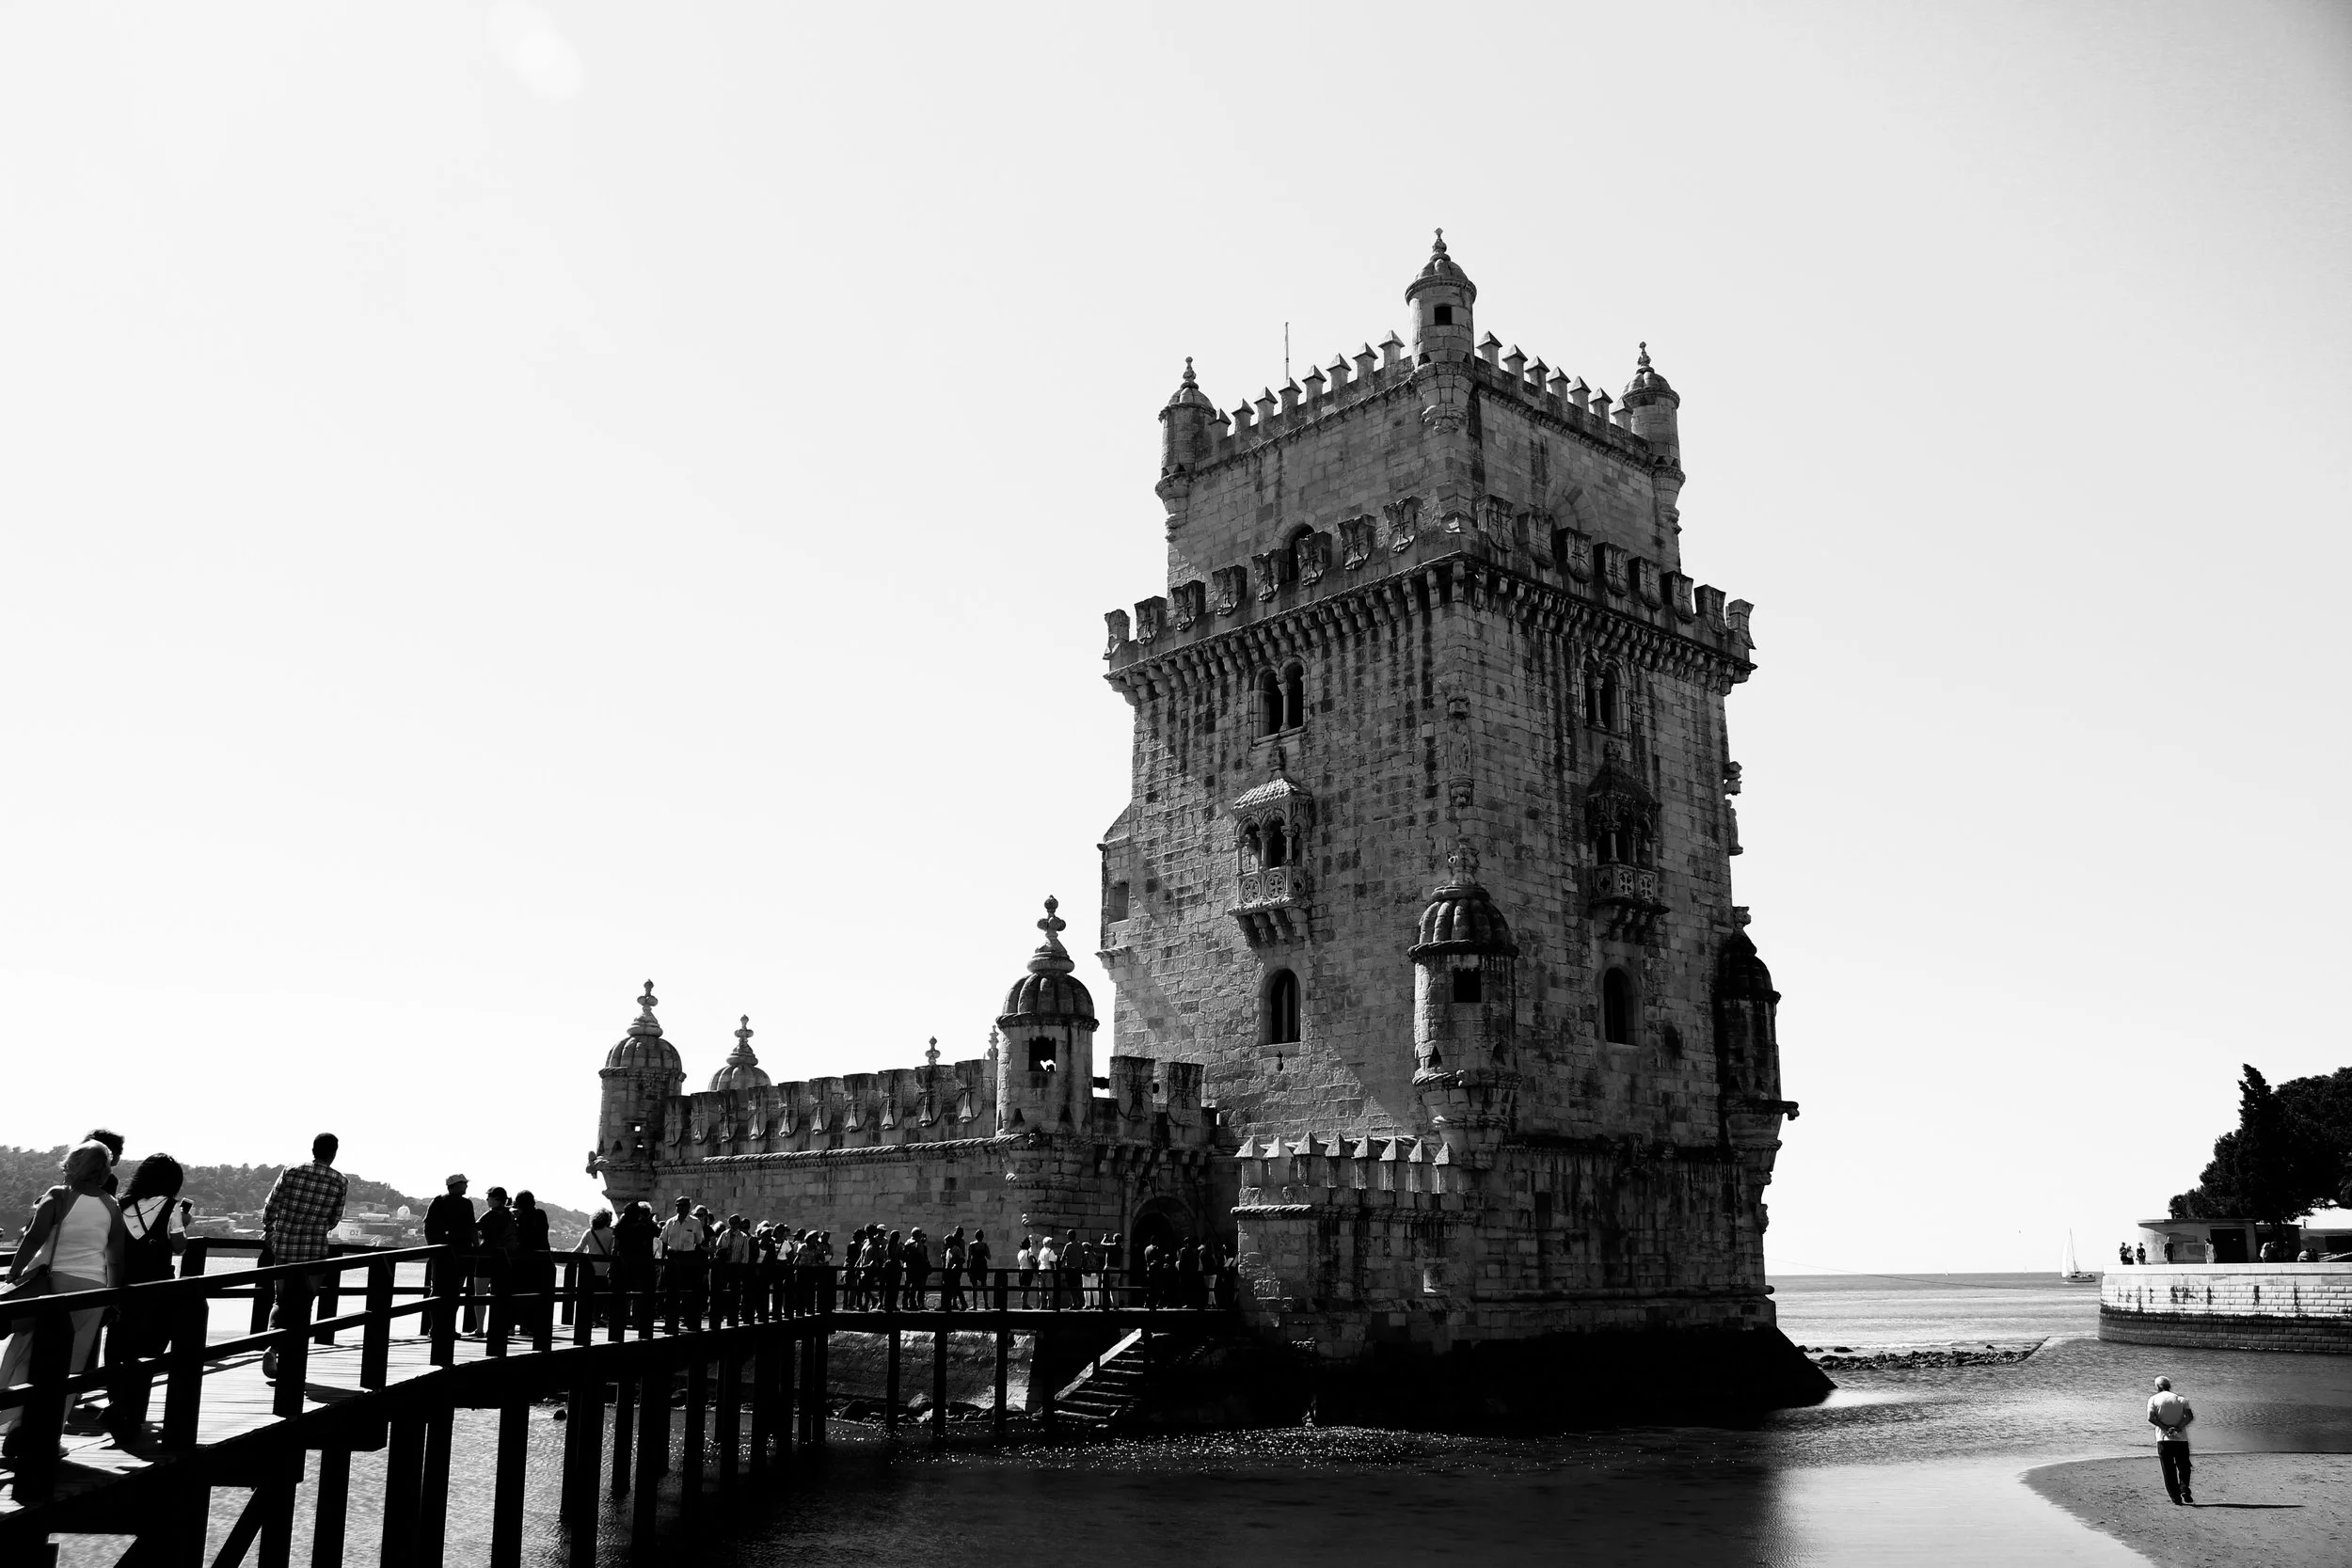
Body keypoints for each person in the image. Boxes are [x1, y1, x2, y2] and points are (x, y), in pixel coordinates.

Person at [0, 1142, 126, 1460]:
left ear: (72, 1165)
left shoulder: (59, 1195)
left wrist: (13, 1273)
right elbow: (115, 1258)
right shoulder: (111, 1205)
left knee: (25, 1351)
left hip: (54, 1285)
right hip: (94, 1290)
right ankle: (49, 1436)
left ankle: (15, 1423)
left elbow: (34, 1237)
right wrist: (115, 1295)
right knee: (70, 1365)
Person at [105, 1152, 185, 1448]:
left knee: (118, 1349)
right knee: (150, 1350)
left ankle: (117, 1404)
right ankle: (133, 1415)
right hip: (158, 1290)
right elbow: (178, 1247)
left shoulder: (119, 1205)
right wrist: (183, 1223)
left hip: (122, 1288)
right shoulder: (172, 1208)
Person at [260, 1133, 347, 1381]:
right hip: (314, 1250)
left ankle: (271, 1346)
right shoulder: (340, 1180)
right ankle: (293, 1363)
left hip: (285, 1246)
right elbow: (333, 1220)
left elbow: (271, 1204)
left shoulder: (292, 1170)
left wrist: (270, 1231)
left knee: (281, 1299)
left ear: (313, 1149)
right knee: (305, 1302)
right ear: (334, 1153)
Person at [423, 1175, 480, 1336]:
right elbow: (471, 1228)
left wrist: (433, 1246)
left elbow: (427, 1226)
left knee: (437, 1290)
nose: (466, 1187)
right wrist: (476, 1248)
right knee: (454, 1291)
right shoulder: (466, 1203)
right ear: (455, 1185)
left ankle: (435, 1327)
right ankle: (447, 1328)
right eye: (464, 1184)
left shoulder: (438, 1201)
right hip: (461, 1253)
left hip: (440, 1253)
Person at [659, 1196, 706, 1332]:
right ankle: (671, 1323)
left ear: (688, 1207)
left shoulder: (695, 1222)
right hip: (673, 1257)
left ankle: (690, 1321)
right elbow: (663, 1241)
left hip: (688, 1257)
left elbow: (698, 1242)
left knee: (688, 1292)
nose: (680, 1207)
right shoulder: (670, 1222)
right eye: (678, 1205)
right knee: (671, 1292)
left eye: (683, 1205)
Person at [2147, 1376, 2195, 1504]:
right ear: (2169, 1386)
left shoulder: (2153, 1399)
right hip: (2181, 1440)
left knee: (2168, 1469)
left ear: (2157, 1387)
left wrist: (2165, 1428)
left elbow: (2151, 1418)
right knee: (2184, 1466)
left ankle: (2175, 1497)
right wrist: (2178, 1427)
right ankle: (2184, 1487)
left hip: (2163, 1440)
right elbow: (2189, 1416)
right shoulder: (2181, 1399)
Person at [513, 1192, 553, 1339]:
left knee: (521, 1291)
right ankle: (532, 1325)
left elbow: (520, 1236)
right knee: (537, 1293)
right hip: (541, 1260)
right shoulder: (540, 1214)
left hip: (522, 1259)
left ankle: (520, 1323)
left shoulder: (519, 1218)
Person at [614, 1200, 659, 1332]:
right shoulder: (645, 1226)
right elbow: (657, 1233)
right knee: (640, 1294)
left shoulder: (622, 1225)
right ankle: (637, 1321)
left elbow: (616, 1245)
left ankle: (621, 1321)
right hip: (642, 1263)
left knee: (623, 1293)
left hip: (624, 1262)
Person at [573, 1209, 616, 1324]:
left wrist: (565, 1259)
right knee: (600, 1296)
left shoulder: (589, 1232)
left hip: (588, 1268)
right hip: (603, 1269)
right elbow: (612, 1252)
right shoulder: (611, 1233)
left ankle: (586, 1318)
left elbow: (579, 1249)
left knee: (587, 1295)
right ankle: (596, 1318)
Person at [967, 1227, 992, 1307]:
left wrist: (968, 1268)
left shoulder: (971, 1245)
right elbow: (989, 1257)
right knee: (984, 1284)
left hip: (974, 1265)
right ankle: (986, 1304)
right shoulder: (985, 1245)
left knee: (974, 1286)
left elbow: (968, 1258)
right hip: (982, 1265)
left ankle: (974, 1305)